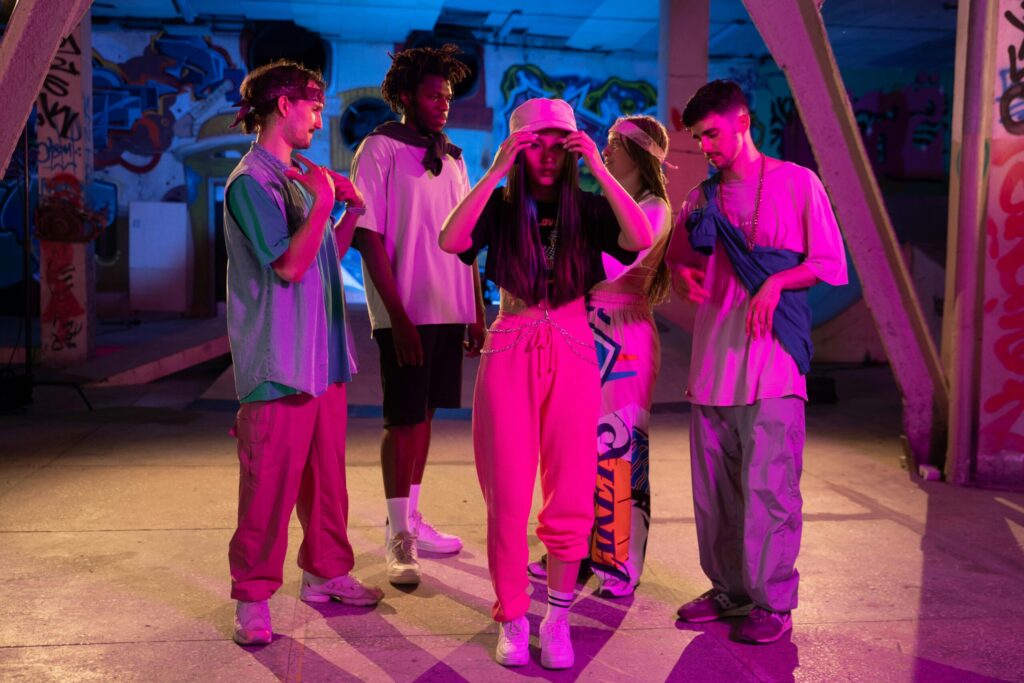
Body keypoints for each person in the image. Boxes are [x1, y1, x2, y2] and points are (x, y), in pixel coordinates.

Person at [439, 98, 653, 669]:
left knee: (573, 492)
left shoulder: (589, 207)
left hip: (574, 346)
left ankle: (557, 617)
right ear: (517, 147)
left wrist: (600, 168)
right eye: (536, 142)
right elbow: (450, 240)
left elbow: (639, 238)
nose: (550, 154)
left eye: (561, 142)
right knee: (507, 494)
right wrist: (493, 171)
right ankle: (512, 614)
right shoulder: (501, 206)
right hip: (511, 345)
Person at [668, 80, 847, 643]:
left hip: (774, 362)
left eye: (713, 134)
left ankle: (773, 602)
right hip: (713, 363)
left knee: (772, 487)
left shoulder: (797, 182)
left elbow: (828, 262)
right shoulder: (702, 198)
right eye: (699, 139)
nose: (707, 147)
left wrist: (776, 282)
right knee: (715, 494)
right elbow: (677, 257)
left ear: (742, 122)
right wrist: (681, 272)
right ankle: (729, 590)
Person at [224, 60, 384, 646]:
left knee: (327, 483)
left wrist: (348, 211)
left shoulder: (298, 176)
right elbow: (288, 268)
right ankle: (252, 596)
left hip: (322, 358)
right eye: (313, 108)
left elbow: (321, 258)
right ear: (284, 105)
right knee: (267, 486)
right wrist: (320, 202)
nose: (320, 119)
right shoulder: (252, 182)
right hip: (279, 363)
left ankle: (325, 573)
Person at [350, 44, 487, 586]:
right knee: (401, 420)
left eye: (447, 96)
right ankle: (397, 537)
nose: (443, 104)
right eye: (433, 95)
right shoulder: (379, 148)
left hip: (449, 308)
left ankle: (410, 517)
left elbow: (465, 239)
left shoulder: (453, 157)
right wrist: (397, 316)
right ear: (406, 96)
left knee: (426, 416)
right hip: (406, 310)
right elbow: (367, 236)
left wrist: (475, 310)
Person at [527, 116, 675, 599]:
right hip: (587, 327)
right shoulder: (614, 201)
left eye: (612, 144)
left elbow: (612, 265)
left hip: (624, 335)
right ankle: (573, 552)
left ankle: (617, 563)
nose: (605, 151)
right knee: (577, 446)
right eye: (605, 144)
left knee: (619, 447)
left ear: (637, 153)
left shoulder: (654, 207)